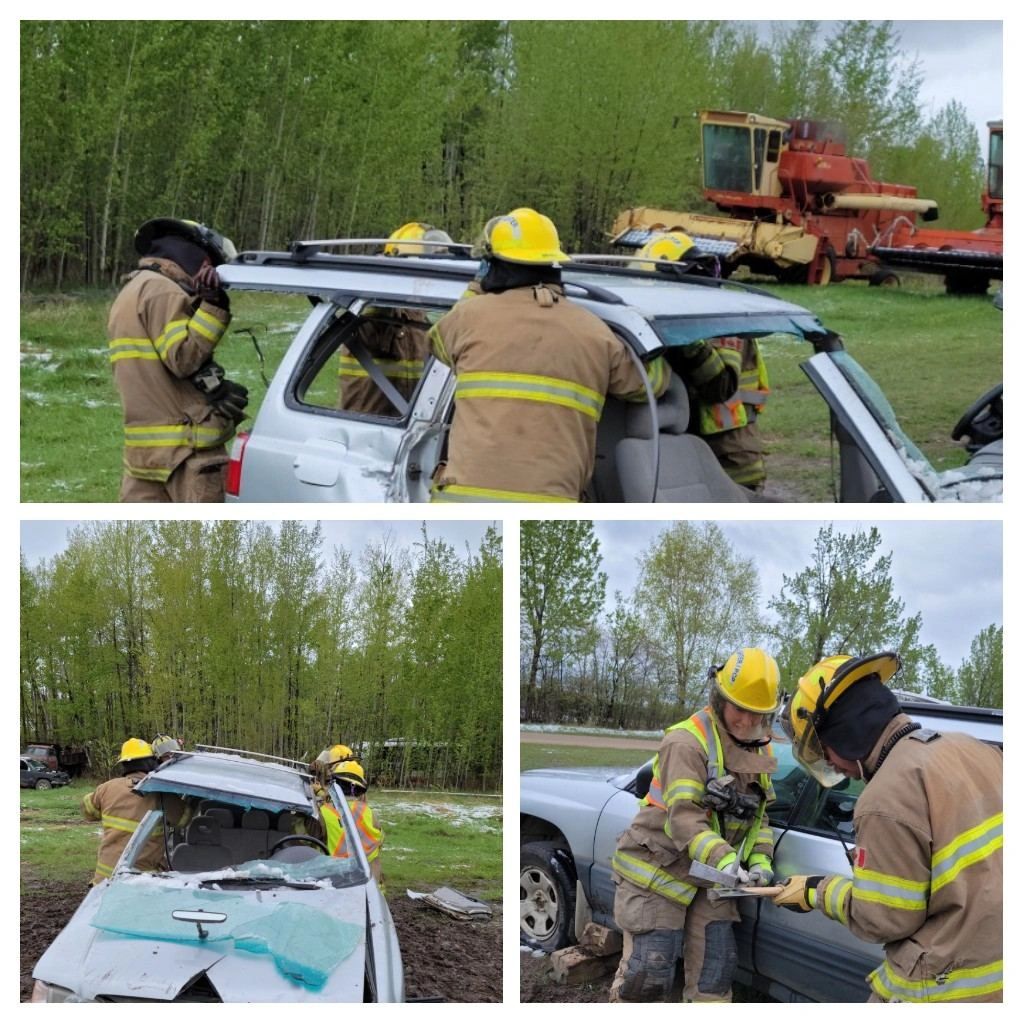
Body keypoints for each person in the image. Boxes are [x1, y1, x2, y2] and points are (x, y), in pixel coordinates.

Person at [775, 652, 1003, 1003]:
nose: (834, 765)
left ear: (842, 736)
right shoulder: (973, 749)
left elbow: (883, 919)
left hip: (946, 987)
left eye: (826, 752)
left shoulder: (884, 798)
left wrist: (817, 891)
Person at [427, 207, 671, 502]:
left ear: (494, 265)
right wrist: (670, 346)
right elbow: (650, 384)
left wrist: (476, 288)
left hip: (464, 505)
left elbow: (437, 341)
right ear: (554, 264)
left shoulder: (468, 318)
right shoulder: (596, 332)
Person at [609, 648, 781, 1002]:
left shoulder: (760, 749)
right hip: (658, 872)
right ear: (719, 699)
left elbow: (760, 816)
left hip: (713, 879)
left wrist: (761, 860)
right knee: (647, 977)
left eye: (758, 714)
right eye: (740, 709)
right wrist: (725, 860)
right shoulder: (685, 742)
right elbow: (684, 818)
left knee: (714, 976)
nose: (748, 722)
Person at [108, 217, 248, 502]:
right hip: (186, 452)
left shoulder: (131, 292)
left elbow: (157, 369)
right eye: (209, 265)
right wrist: (213, 305)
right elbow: (183, 357)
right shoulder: (163, 290)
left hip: (145, 458)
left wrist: (211, 386)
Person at [634, 231, 770, 491]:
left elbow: (721, 385)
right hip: (688, 452)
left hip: (730, 460)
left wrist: (686, 337)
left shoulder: (718, 319)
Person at [337, 223, 453, 416]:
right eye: (425, 269)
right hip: (363, 426)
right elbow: (376, 314)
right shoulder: (372, 309)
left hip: (403, 427)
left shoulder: (419, 314)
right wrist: (385, 274)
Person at [81, 738, 187, 885]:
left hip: (104, 879)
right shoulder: (162, 794)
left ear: (124, 764)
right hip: (140, 882)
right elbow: (184, 820)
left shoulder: (106, 788)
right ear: (151, 762)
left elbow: (88, 813)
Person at [316, 760, 384, 881]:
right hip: (370, 884)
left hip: (337, 882)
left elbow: (309, 846)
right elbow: (380, 840)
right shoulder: (368, 812)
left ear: (334, 784)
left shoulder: (323, 813)